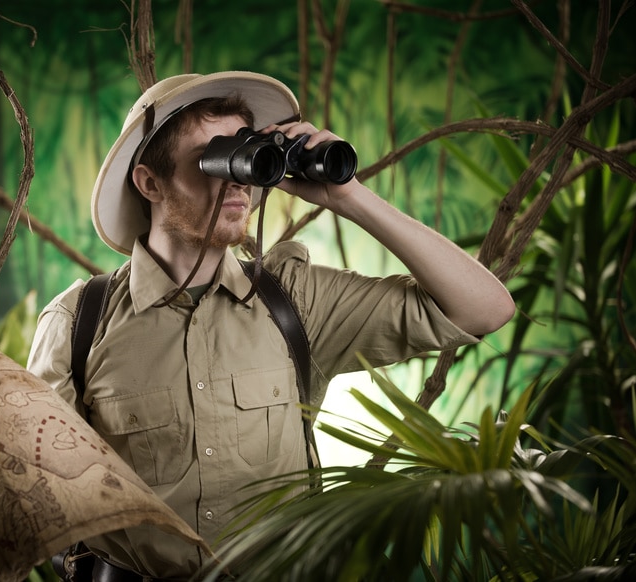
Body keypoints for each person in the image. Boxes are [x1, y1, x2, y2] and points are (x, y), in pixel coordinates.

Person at [27, 71, 515, 581]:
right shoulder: (77, 323)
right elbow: (40, 505)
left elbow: (483, 309)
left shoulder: (293, 300)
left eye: (247, 154)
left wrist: (348, 197)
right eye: (214, 158)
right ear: (150, 182)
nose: (238, 179)